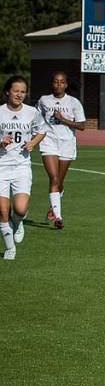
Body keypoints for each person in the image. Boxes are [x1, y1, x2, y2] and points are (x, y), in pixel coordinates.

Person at [0, 76, 47, 260]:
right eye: (15, 90)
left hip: (21, 166)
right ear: (7, 92)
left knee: (19, 209)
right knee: (3, 211)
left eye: (22, 91)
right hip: (1, 167)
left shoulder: (31, 112)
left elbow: (41, 130)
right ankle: (10, 248)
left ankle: (18, 223)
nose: (19, 94)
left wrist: (32, 143)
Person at [36, 71, 86, 228]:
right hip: (49, 142)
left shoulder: (74, 102)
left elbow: (82, 126)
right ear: (52, 83)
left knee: (60, 182)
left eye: (62, 82)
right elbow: (36, 119)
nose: (59, 85)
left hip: (67, 143)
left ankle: (54, 204)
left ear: (66, 84)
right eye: (56, 82)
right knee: (54, 179)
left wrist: (63, 119)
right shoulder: (44, 100)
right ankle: (58, 217)